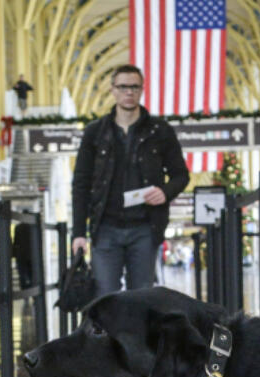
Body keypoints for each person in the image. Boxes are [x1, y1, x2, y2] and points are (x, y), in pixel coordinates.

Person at [71, 64, 190, 296]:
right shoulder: (95, 132)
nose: (129, 92)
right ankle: (110, 335)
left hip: (145, 227)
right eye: (123, 87)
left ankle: (139, 335)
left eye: (134, 87)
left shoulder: (160, 131)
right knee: (104, 298)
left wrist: (165, 192)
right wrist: (78, 232)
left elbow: (181, 175)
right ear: (113, 90)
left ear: (142, 90)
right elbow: (81, 184)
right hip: (105, 227)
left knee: (142, 297)